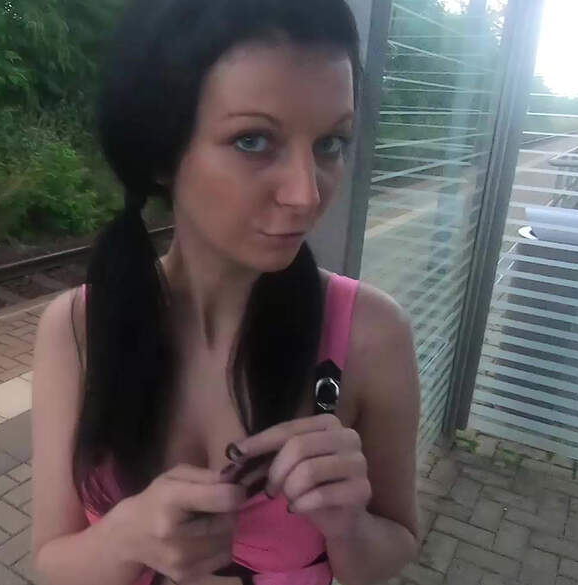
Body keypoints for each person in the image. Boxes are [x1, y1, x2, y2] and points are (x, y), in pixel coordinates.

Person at [30, 1, 420, 584]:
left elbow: (396, 542)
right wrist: (124, 537)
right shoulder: (76, 331)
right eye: (253, 140)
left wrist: (348, 525)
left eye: (329, 143)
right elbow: (49, 562)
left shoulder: (370, 335)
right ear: (161, 153)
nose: (306, 194)